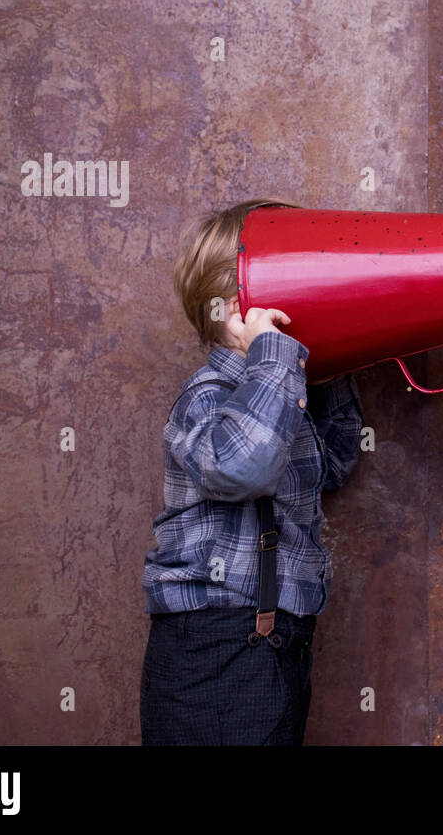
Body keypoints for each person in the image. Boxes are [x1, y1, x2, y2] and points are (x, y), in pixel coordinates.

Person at [140, 199, 364, 745]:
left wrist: (329, 361)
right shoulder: (207, 397)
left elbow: (337, 461)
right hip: (212, 648)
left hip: (278, 648)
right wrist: (273, 359)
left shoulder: (285, 396)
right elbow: (246, 467)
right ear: (239, 309)